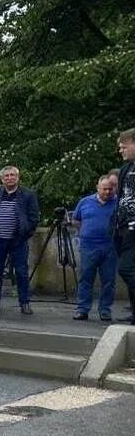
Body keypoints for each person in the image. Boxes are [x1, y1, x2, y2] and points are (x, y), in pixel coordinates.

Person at [0, 165, 40, 315]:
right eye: (6, 176)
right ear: (1, 179)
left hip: (18, 241)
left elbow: (34, 218)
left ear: (18, 177)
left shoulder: (28, 194)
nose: (9, 178)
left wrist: (26, 233)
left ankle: (25, 303)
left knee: (21, 272)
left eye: (12, 175)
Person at [73, 174, 118, 320]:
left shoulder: (118, 203)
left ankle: (105, 310)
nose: (107, 192)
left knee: (109, 280)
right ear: (97, 188)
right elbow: (76, 220)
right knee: (86, 278)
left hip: (110, 246)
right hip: (89, 246)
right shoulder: (85, 202)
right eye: (104, 189)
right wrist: (84, 234)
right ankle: (82, 309)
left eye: (110, 189)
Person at [115, 130, 135, 323]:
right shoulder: (126, 169)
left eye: (124, 145)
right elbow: (121, 198)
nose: (120, 149)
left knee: (126, 268)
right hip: (123, 228)